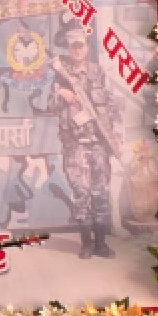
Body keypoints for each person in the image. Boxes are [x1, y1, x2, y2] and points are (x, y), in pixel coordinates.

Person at [50, 26, 118, 258]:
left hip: (99, 143)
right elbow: (49, 106)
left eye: (81, 45)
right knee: (81, 193)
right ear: (68, 49)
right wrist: (61, 94)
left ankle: (101, 243)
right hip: (75, 144)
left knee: (101, 193)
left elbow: (110, 105)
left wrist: (113, 136)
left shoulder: (98, 72)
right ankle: (86, 244)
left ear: (87, 47)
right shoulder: (60, 75)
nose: (78, 50)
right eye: (73, 46)